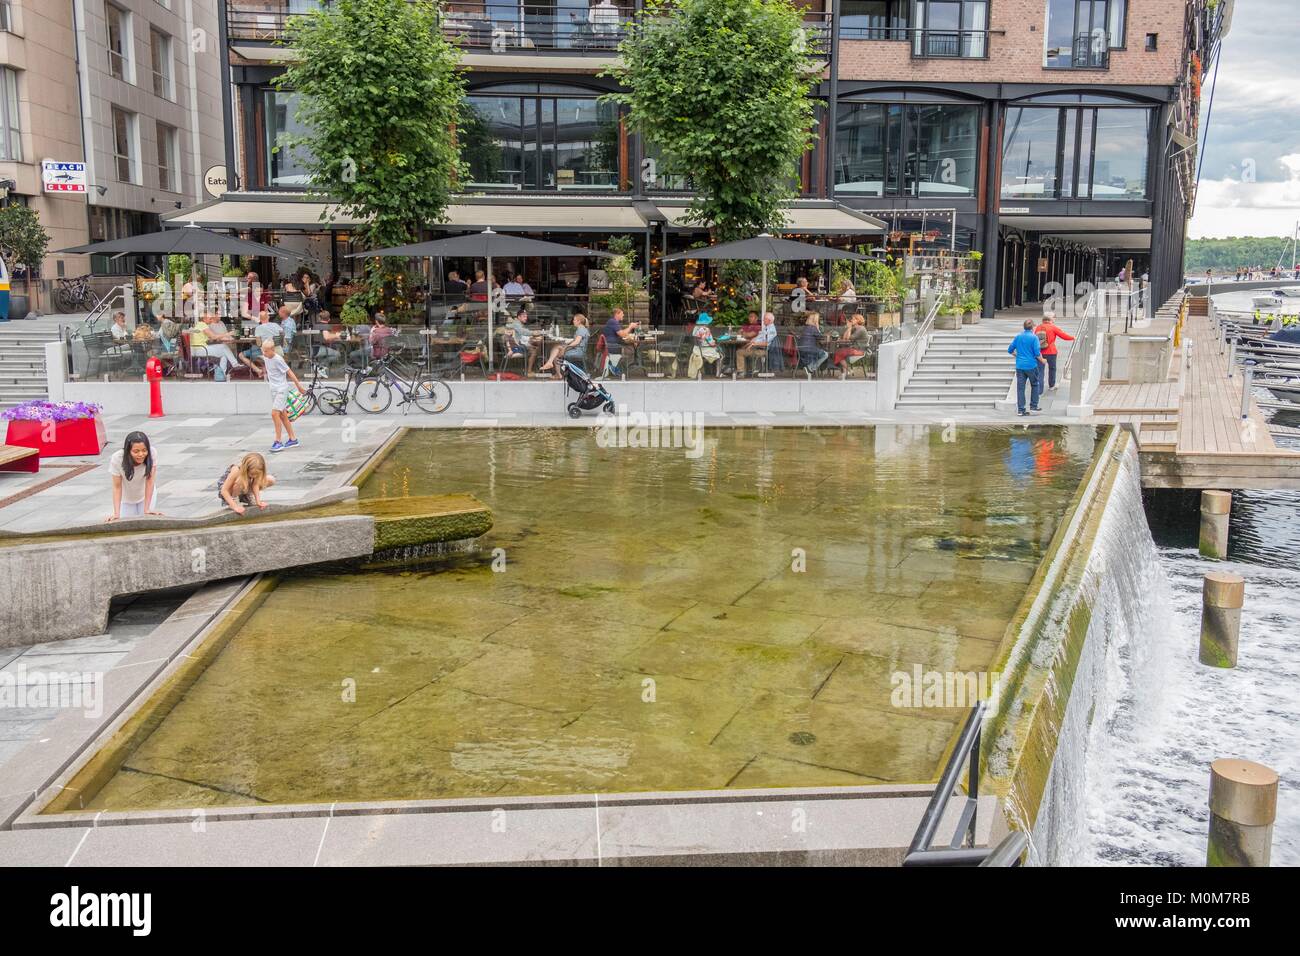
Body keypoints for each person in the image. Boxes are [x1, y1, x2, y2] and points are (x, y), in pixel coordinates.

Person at [261, 338, 306, 452]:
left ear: (272, 350)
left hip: (281, 389)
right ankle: (293, 439)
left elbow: (289, 371)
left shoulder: (278, 359)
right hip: (273, 390)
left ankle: (278, 441)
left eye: (266, 351)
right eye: (263, 350)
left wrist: (299, 386)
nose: (263, 353)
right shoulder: (266, 357)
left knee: (274, 413)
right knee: (282, 415)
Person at [106, 431, 162, 522]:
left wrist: (147, 509)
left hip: (145, 495)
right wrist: (116, 514)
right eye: (136, 451)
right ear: (128, 451)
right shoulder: (117, 458)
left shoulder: (152, 453)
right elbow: (117, 487)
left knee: (145, 521)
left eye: (144, 450)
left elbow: (150, 481)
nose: (141, 454)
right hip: (126, 498)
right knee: (127, 524)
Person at [1009, 318, 1046, 415]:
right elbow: (1037, 353)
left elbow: (1010, 350)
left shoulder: (1018, 336)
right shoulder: (1034, 338)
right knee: (1034, 384)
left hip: (1020, 366)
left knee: (1020, 388)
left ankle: (1021, 410)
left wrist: (1017, 355)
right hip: (1031, 365)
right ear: (1033, 327)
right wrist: (1043, 360)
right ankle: (1033, 406)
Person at [1035, 311, 1075, 390]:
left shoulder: (1038, 327)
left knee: (1040, 370)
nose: (1055, 319)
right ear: (1051, 319)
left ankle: (1039, 389)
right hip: (1051, 352)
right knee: (1052, 369)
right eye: (1054, 317)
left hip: (1040, 352)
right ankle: (1051, 386)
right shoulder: (1053, 327)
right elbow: (1063, 336)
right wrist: (1073, 337)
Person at [241, 310, 283, 378]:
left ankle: (258, 370)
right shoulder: (276, 325)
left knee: (241, 355)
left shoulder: (258, 328)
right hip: (278, 351)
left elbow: (259, 343)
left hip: (266, 353)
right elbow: (282, 334)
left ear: (259, 319)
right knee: (258, 352)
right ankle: (265, 371)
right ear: (268, 317)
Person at [600, 307, 638, 378]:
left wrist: (629, 334)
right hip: (612, 346)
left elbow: (622, 333)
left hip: (612, 345)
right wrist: (630, 327)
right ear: (617, 314)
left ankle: (617, 367)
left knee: (631, 346)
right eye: (622, 313)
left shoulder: (613, 322)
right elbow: (622, 334)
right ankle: (617, 367)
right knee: (630, 349)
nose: (623, 315)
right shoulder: (613, 322)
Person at [688, 312, 722, 379]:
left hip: (697, 349)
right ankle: (718, 373)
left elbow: (698, 339)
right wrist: (715, 343)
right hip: (705, 349)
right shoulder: (706, 329)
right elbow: (711, 343)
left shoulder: (695, 328)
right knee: (721, 355)